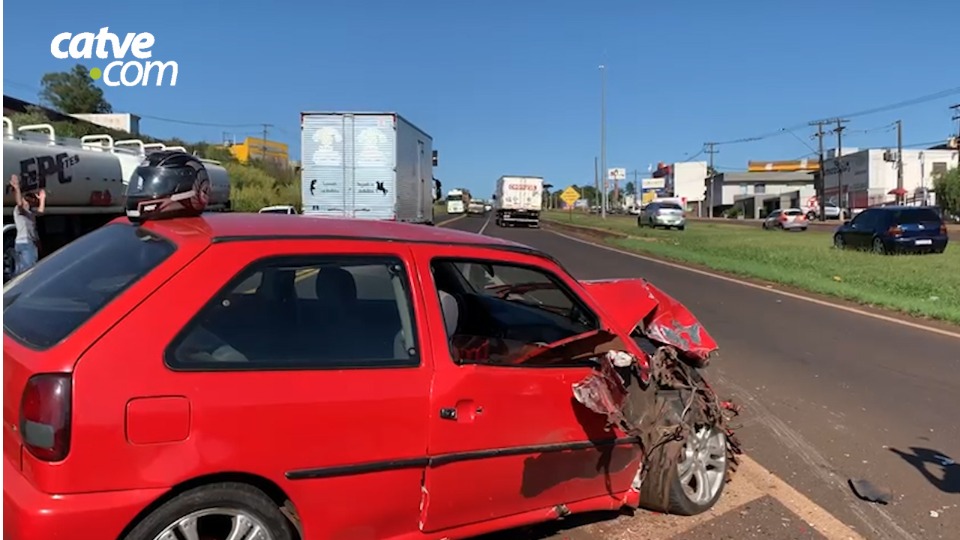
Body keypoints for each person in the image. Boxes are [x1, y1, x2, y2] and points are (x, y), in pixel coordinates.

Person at [9, 174, 45, 277]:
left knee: (21, 271)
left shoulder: (31, 212)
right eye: (26, 200)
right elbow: (19, 203)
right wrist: (17, 188)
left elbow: (41, 212)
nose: (27, 202)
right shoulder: (19, 210)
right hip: (25, 243)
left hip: (27, 243)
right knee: (28, 272)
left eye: (30, 200)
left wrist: (42, 198)